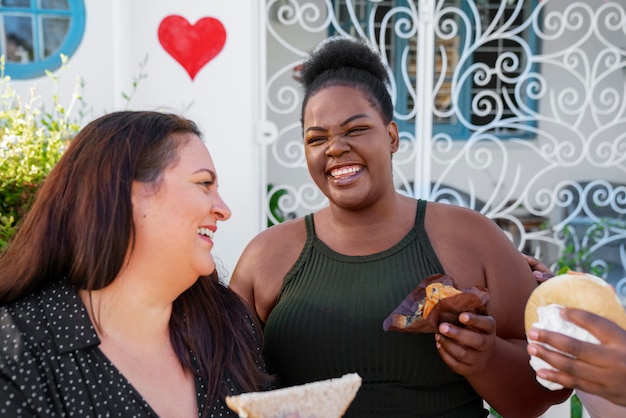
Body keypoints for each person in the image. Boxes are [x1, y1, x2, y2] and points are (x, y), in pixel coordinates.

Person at [229, 36, 571, 417]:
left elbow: (547, 390)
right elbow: (219, 383)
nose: (335, 148)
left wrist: (487, 359)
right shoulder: (265, 258)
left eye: (355, 130)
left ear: (391, 136)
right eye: (317, 138)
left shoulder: (472, 239)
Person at [0, 111, 271, 417]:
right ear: (123, 193)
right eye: (204, 183)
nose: (223, 209)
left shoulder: (229, 324)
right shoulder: (18, 345)